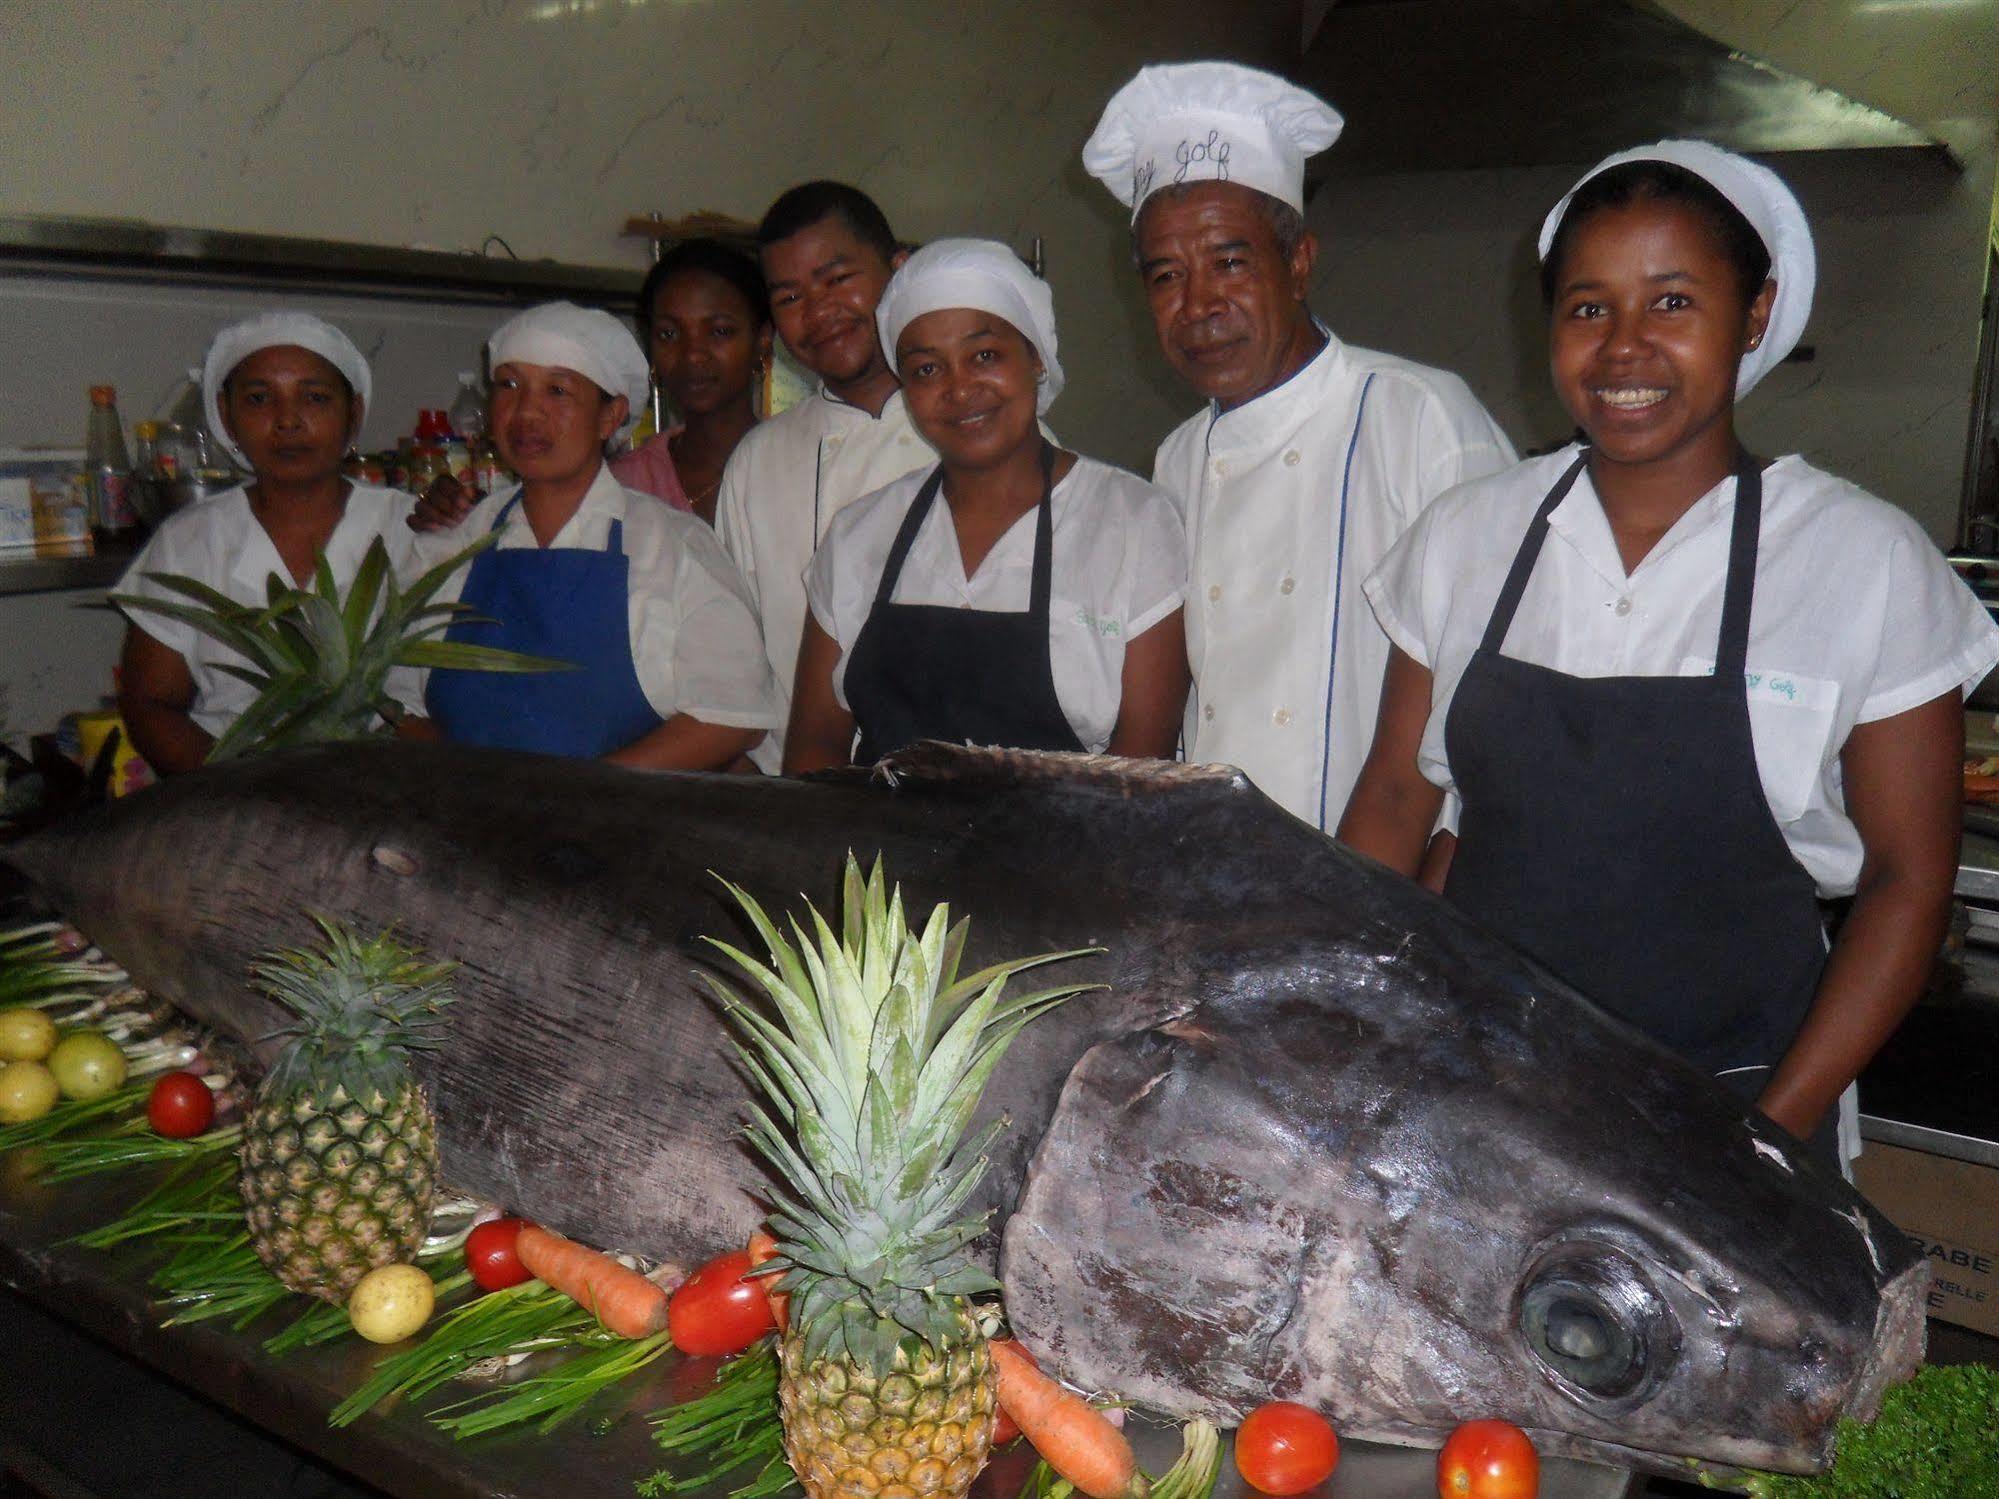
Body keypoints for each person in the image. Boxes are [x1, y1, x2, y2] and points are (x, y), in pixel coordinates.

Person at [1338, 141, 1999, 1165]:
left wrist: (1767, 1137)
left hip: (1739, 1094)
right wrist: (1339, 1009)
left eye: (1673, 302)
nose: (1623, 347)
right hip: (1481, 1085)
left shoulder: (1861, 560)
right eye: (1588, 306)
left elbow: (1907, 878)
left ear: (1756, 312)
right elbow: (1392, 796)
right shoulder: (1467, 534)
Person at [1082, 62, 1515, 831]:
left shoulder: (1417, 417)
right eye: (1165, 276)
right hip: (1223, 867)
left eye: (1229, 261)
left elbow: (1496, 693)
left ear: (1299, 263)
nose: (1199, 306)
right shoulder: (1177, 457)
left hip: (1387, 880)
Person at [785, 240, 1188, 771]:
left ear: (1036, 357)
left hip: (1070, 848)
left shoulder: (1134, 520)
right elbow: (814, 746)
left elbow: (1143, 767)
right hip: (884, 849)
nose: (959, 389)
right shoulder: (858, 534)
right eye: (927, 369)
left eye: (984, 356)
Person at [410, 302, 777, 768]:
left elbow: (731, 717)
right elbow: (398, 705)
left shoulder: (674, 549)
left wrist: (588, 794)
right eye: (509, 385)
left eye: (557, 390)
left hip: (627, 827)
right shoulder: (451, 547)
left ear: (611, 416)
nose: (526, 412)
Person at [115, 313, 420, 774]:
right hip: (236, 795)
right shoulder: (190, 539)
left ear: (353, 415)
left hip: (391, 791)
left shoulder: (413, 526)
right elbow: (152, 704)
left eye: (315, 398)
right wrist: (240, 793)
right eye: (259, 399)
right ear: (226, 415)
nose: (287, 421)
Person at [713, 182, 936, 770]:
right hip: (798, 797)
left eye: (837, 279)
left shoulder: (983, 437)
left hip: (956, 804)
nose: (818, 312)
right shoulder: (757, 463)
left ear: (899, 270)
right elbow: (735, 659)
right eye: (789, 296)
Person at [610, 238, 774, 524]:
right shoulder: (622, 487)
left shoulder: (804, 466)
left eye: (720, 331)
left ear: (762, 340)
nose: (693, 354)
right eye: (669, 334)